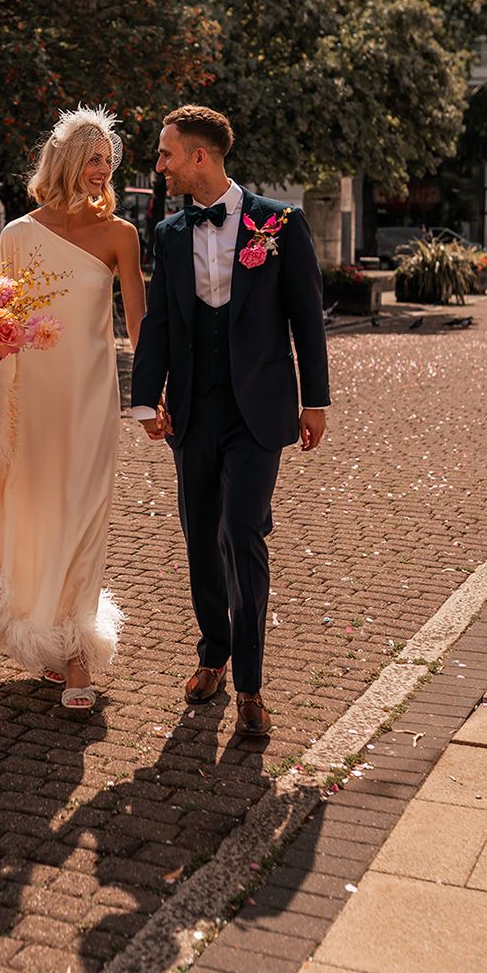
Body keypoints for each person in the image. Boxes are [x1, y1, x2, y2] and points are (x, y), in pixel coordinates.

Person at [132, 105, 330, 735]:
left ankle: (249, 685)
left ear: (200, 157)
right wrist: (145, 399)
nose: (158, 165)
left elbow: (307, 314)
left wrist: (315, 400)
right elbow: (160, 323)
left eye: (166, 154)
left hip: (260, 409)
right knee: (199, 540)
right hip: (193, 408)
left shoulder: (278, 222)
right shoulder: (167, 234)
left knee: (240, 534)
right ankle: (212, 653)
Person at [0, 106, 146, 710]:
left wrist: (154, 396)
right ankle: (48, 637)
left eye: (108, 160)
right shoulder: (17, 235)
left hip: (91, 400)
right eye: (93, 157)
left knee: (84, 516)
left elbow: (139, 324)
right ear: (67, 161)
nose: (103, 169)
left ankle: (78, 659)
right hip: (29, 404)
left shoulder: (121, 236)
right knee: (36, 515)